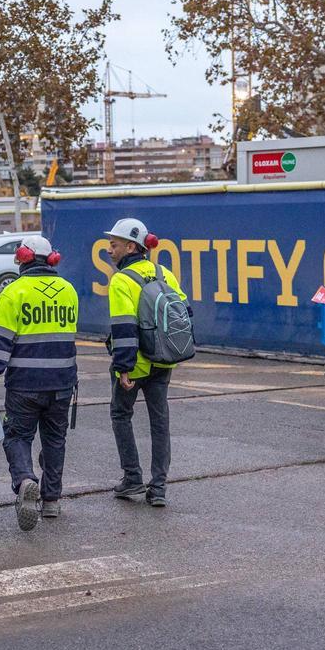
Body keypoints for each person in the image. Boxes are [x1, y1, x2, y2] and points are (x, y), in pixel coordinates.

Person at [0, 235, 77, 530]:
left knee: (18, 436)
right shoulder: (68, 290)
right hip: (62, 382)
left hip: (25, 383)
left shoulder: (14, 291)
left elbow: (0, 340)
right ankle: (51, 501)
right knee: (55, 440)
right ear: (51, 260)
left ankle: (24, 481)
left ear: (22, 258)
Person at [104, 218, 187, 508]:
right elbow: (183, 312)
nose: (109, 250)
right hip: (164, 360)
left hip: (136, 364)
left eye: (114, 245)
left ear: (131, 247)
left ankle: (132, 478)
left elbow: (124, 328)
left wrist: (123, 367)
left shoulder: (122, 281)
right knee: (159, 421)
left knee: (120, 415)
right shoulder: (165, 274)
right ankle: (159, 487)